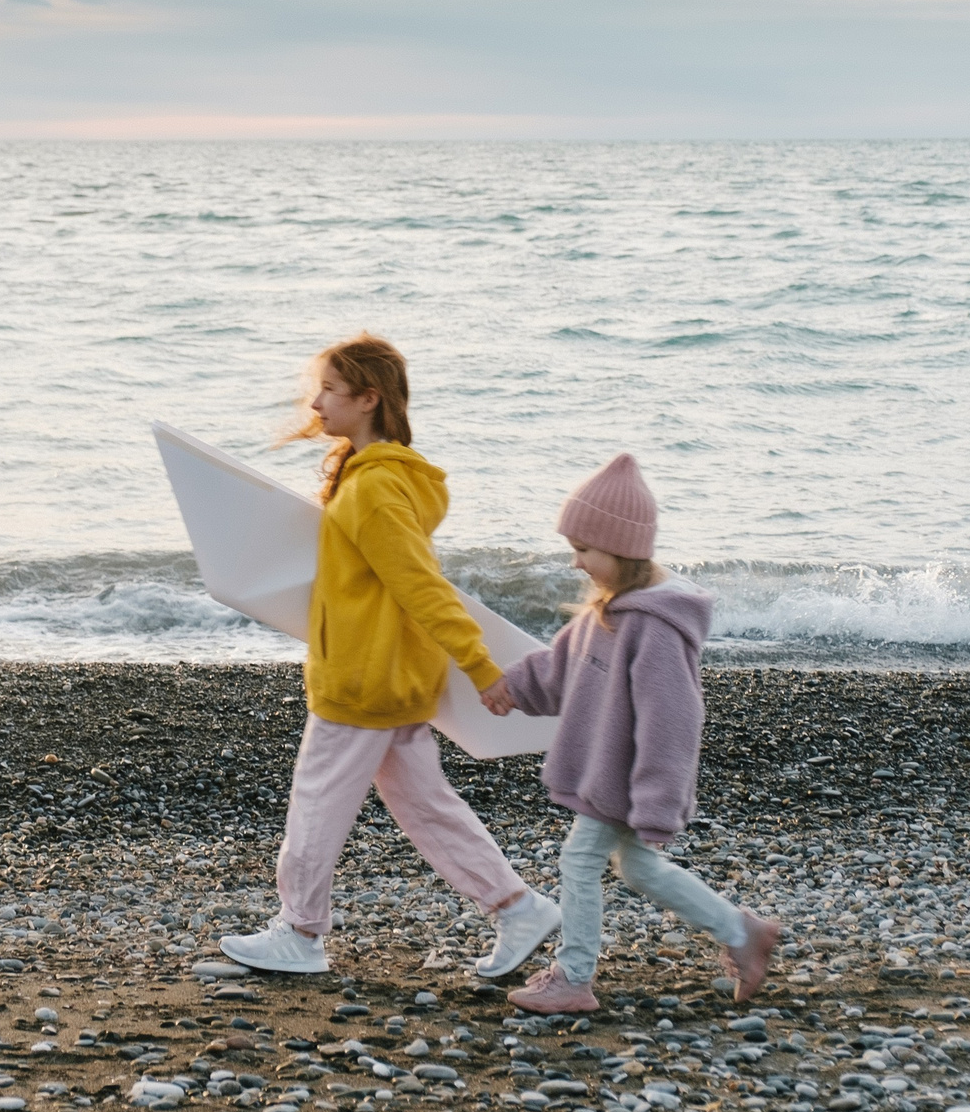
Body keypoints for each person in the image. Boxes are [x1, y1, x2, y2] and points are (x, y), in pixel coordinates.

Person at [219, 333, 563, 977]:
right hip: (393, 677)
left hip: (366, 680)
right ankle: (517, 908)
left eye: (328, 390)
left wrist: (483, 667)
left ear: (368, 399)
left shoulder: (375, 490)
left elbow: (423, 586)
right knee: (426, 804)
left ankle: (299, 931)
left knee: (317, 797)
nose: (314, 403)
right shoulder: (379, 475)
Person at [480, 453, 781, 1011]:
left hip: (625, 780)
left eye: (585, 550)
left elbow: (674, 719)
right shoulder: (605, 613)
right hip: (606, 773)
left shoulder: (653, 628)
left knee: (579, 861)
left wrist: (658, 801)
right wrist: (514, 688)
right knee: (638, 867)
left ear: (622, 550)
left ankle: (573, 977)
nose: (576, 562)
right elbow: (560, 668)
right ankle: (742, 933)